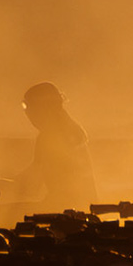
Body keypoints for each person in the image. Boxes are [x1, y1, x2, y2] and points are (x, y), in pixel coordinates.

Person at [18, 81, 96, 216]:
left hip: (65, 213)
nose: (27, 114)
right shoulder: (72, 130)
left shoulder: (49, 137)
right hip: (84, 211)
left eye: (28, 107)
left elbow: (32, 184)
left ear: (42, 108)